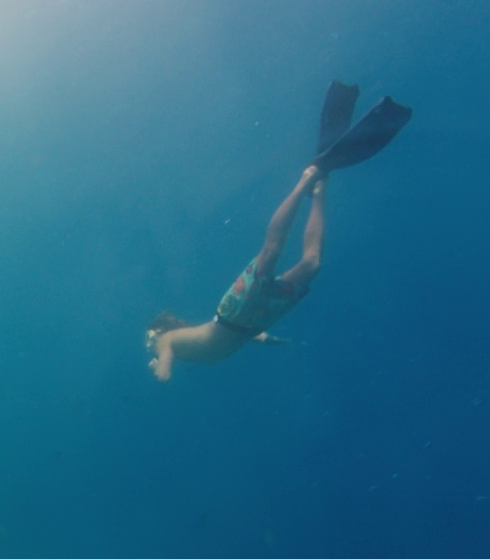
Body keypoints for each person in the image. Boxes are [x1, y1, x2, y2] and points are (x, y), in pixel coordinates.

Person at [147, 81, 412, 383]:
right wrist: (268, 340)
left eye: (151, 338)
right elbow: (236, 342)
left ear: (160, 331)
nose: (150, 345)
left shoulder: (164, 343)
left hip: (233, 315)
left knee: (272, 250)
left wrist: (158, 366)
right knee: (312, 265)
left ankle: (305, 180)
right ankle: (321, 187)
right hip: (251, 323)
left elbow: (165, 371)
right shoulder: (188, 346)